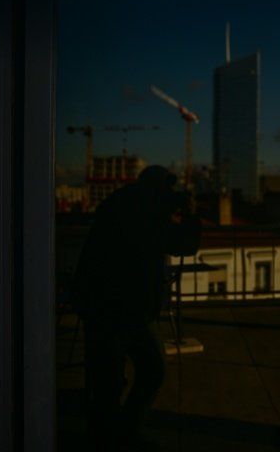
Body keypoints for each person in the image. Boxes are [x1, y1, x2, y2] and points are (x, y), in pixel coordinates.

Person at [72, 165, 201, 451]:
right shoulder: (144, 213)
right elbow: (184, 244)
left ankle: (113, 436)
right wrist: (190, 215)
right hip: (126, 312)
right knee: (147, 372)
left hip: (107, 308)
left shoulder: (123, 203)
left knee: (108, 385)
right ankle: (120, 435)